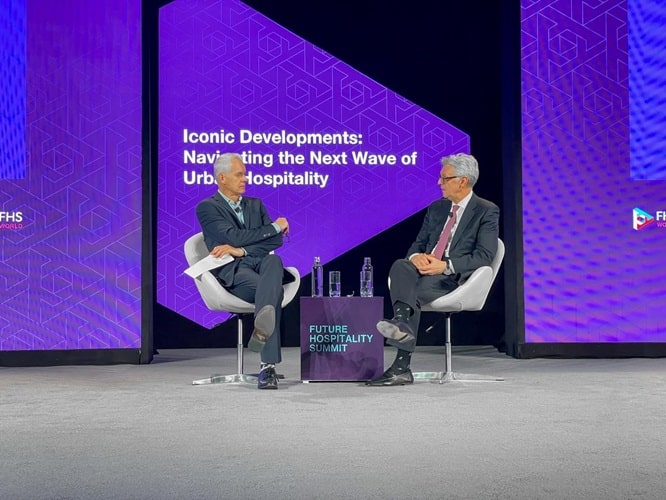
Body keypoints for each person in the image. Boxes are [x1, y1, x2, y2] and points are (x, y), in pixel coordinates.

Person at [366, 153, 499, 386]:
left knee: (413, 294)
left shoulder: (486, 210)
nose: (439, 183)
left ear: (462, 181)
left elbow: (484, 256)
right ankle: (401, 323)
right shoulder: (437, 208)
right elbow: (417, 244)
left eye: (444, 179)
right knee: (401, 265)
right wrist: (416, 257)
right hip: (424, 271)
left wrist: (445, 266)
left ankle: (401, 365)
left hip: (452, 278)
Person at [196, 153, 291, 390]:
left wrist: (241, 250)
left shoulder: (255, 205)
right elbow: (232, 236)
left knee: (275, 261)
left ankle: (262, 335)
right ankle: (267, 366)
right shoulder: (207, 208)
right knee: (273, 293)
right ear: (222, 178)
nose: (245, 179)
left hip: (259, 262)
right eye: (239, 175)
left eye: (245, 174)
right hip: (234, 271)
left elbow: (275, 241)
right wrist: (274, 227)